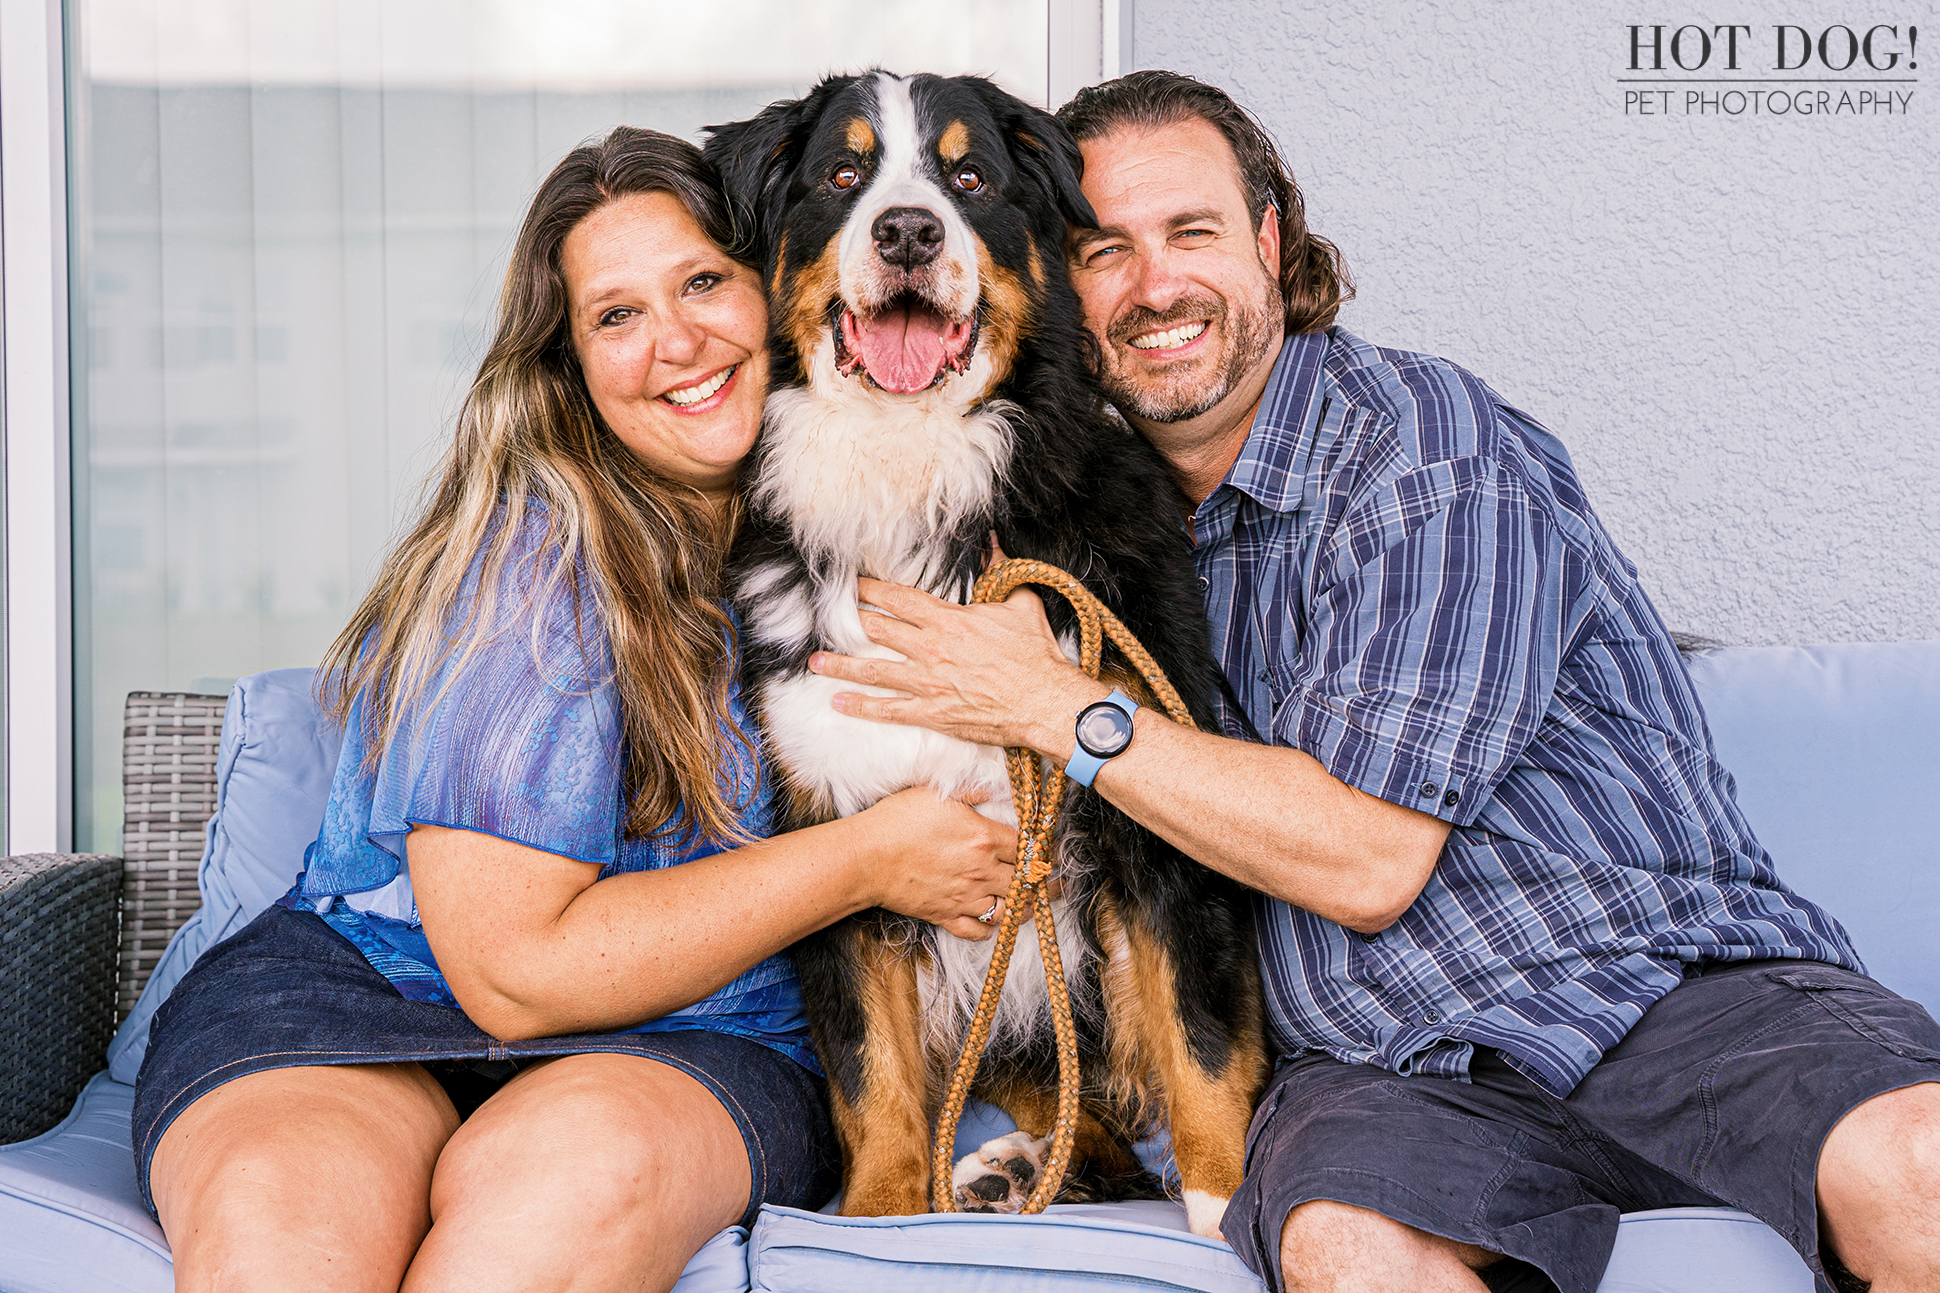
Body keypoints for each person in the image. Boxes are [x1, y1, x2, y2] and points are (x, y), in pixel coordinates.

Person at [804, 71, 1940, 1293]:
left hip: (1652, 990)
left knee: (1916, 1163)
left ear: (1268, 244)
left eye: (1191, 234)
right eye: (1101, 249)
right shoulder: (1087, 513)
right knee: (1343, 1248)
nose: (1151, 287)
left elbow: (1364, 861)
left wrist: (1053, 707)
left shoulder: (1421, 451)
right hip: (1377, 1070)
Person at [133, 126, 1018, 1293]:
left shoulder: (901, 514)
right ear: (569, 368)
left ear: (790, 288)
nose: (678, 342)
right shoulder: (529, 564)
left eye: (704, 282)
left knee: (555, 1199)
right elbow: (509, 974)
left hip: (708, 1038)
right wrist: (868, 860)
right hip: (371, 996)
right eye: (616, 316)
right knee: (277, 1236)